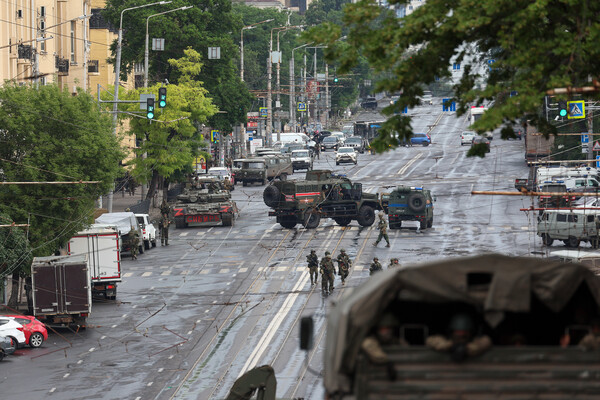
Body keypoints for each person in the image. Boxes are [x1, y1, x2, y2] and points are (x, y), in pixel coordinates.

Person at [425, 313, 492, 362]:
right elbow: (430, 340)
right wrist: (450, 346)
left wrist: (467, 348)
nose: (460, 337)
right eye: (457, 334)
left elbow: (486, 341)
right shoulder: (446, 341)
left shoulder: (477, 341)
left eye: (464, 335)